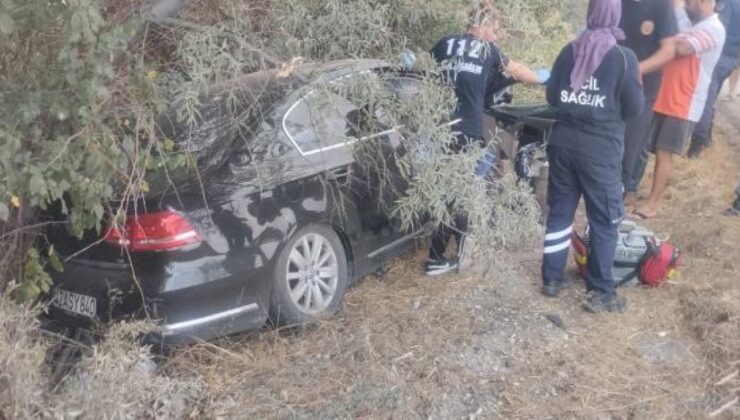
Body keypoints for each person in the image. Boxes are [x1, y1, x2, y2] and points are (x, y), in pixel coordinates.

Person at [424, 3, 547, 276]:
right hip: (468, 132)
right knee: (464, 193)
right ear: (483, 25)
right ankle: (447, 254)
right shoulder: (488, 50)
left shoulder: (444, 43)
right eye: (494, 27)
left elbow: (424, 72)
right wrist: (542, 79)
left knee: (449, 191)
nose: (496, 33)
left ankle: (442, 253)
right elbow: (518, 71)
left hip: (439, 130)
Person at [541, 0, 644, 313]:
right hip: (599, 152)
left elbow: (552, 96)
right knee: (605, 220)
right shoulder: (624, 58)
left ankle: (551, 280)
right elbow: (635, 107)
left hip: (562, 144)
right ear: (616, 16)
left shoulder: (568, 51)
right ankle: (600, 292)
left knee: (560, 213)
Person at [635, 0, 726, 219]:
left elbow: (683, 49)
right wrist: (668, 39)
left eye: (690, 2)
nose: (686, 5)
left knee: (665, 153)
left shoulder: (714, 28)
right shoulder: (692, 23)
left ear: (704, 2)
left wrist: (666, 40)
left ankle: (653, 203)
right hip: (665, 95)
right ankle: (633, 192)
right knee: (646, 146)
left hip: (684, 102)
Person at [619, 0, 680, 208]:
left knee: (631, 145)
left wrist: (635, 69)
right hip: (612, 84)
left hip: (643, 90)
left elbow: (668, 50)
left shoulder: (661, 6)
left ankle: (622, 191)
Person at [687, 0, 740, 157]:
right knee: (710, 97)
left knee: (705, 99)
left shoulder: (728, 4)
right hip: (729, 58)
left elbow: (719, 29)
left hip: (720, 55)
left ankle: (697, 144)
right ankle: (706, 138)